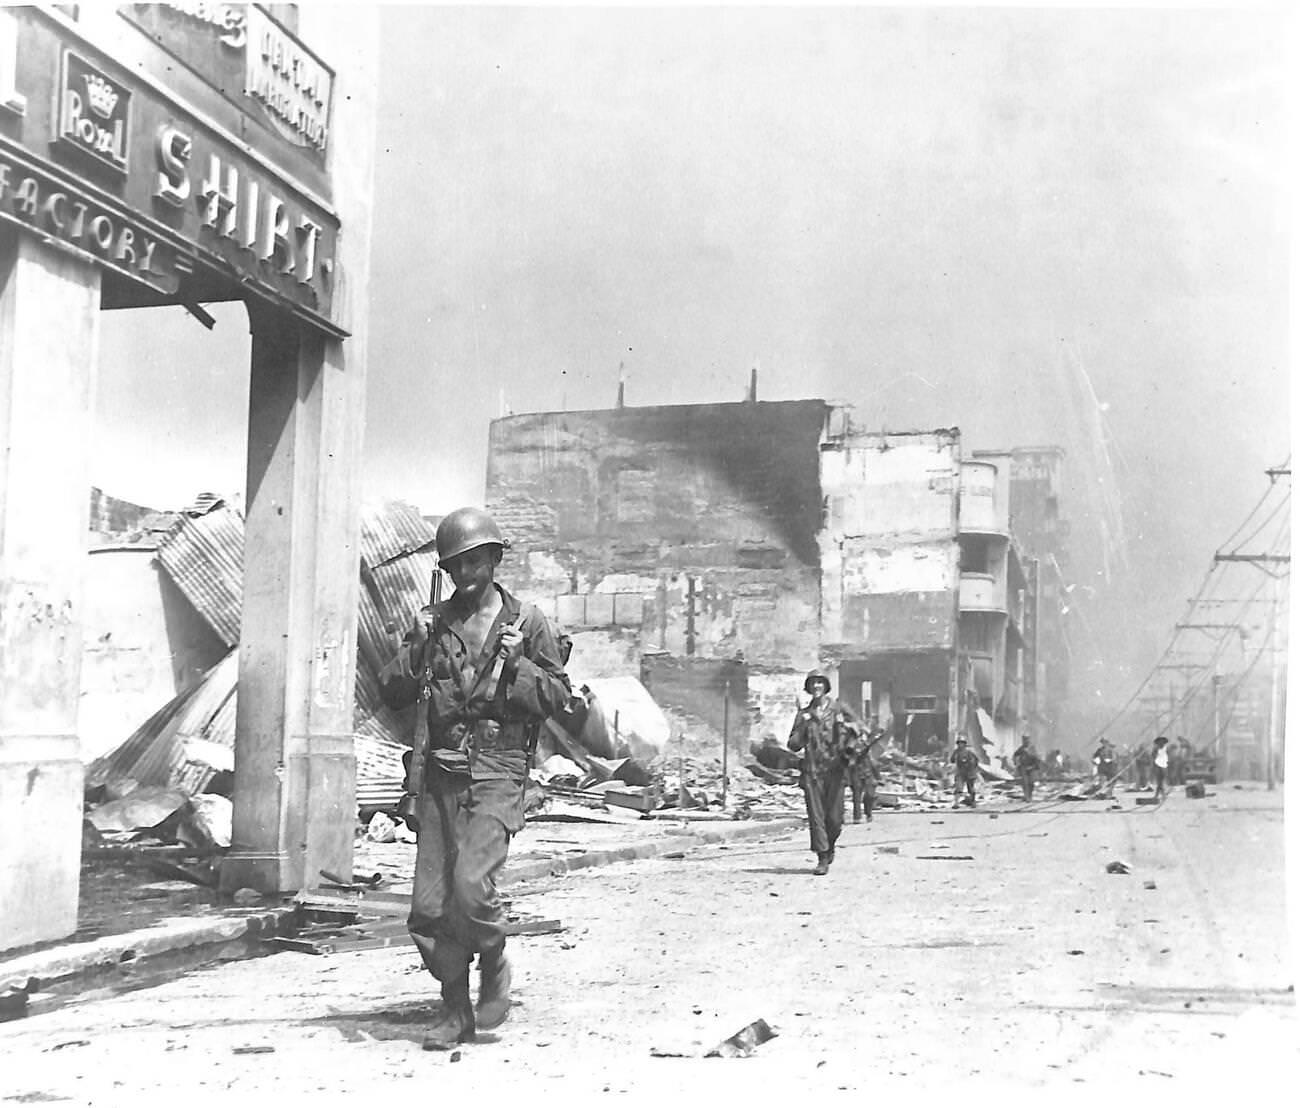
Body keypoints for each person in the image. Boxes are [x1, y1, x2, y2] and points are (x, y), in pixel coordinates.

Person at [379, 507, 571, 1051]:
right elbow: (391, 690)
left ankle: (492, 955)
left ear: (493, 559)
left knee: (471, 886)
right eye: (454, 564)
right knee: (429, 908)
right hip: (440, 774)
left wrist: (519, 667)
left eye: (474, 561)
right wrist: (414, 648)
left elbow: (560, 698)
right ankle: (455, 1010)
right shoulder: (432, 622)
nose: (465, 573)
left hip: (498, 772)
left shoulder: (528, 624)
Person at [787, 671, 860, 875]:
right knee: (816, 816)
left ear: (825, 685)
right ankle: (822, 857)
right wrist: (803, 729)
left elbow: (858, 730)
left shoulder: (839, 709)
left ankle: (830, 844)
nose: (817, 686)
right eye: (813, 683)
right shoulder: (803, 714)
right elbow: (792, 744)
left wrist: (849, 746)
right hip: (813, 772)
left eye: (820, 682)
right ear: (808, 687)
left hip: (835, 770)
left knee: (835, 819)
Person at [844, 717, 884, 824]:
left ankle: (868, 812)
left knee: (870, 795)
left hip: (867, 770)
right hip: (855, 771)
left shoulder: (866, 742)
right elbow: (849, 755)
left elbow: (876, 737)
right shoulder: (849, 743)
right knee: (856, 796)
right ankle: (857, 817)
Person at [950, 737, 981, 808]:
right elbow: (952, 760)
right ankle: (956, 803)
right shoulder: (956, 752)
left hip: (969, 772)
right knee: (958, 788)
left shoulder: (969, 752)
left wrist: (972, 767)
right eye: (959, 743)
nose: (960, 745)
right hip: (960, 772)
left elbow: (975, 761)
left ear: (964, 744)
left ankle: (973, 802)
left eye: (961, 743)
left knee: (971, 788)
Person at [1012, 734, 1041, 802]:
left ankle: (1030, 795)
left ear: (1029, 740)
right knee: (1025, 783)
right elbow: (1015, 755)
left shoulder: (1032, 748)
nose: (1026, 741)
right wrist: (1016, 763)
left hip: (1032, 767)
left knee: (1031, 783)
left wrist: (1035, 766)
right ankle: (1027, 796)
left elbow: (1037, 758)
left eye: (1027, 739)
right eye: (1024, 739)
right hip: (1023, 768)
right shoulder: (1021, 749)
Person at [1152, 736, 1170, 801]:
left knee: (1161, 782)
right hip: (1157, 766)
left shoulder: (1166, 749)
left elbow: (1169, 757)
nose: (1161, 743)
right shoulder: (1155, 749)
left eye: (1162, 742)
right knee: (1159, 782)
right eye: (1160, 742)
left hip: (1164, 766)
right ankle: (1161, 795)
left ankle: (1159, 795)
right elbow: (1153, 757)